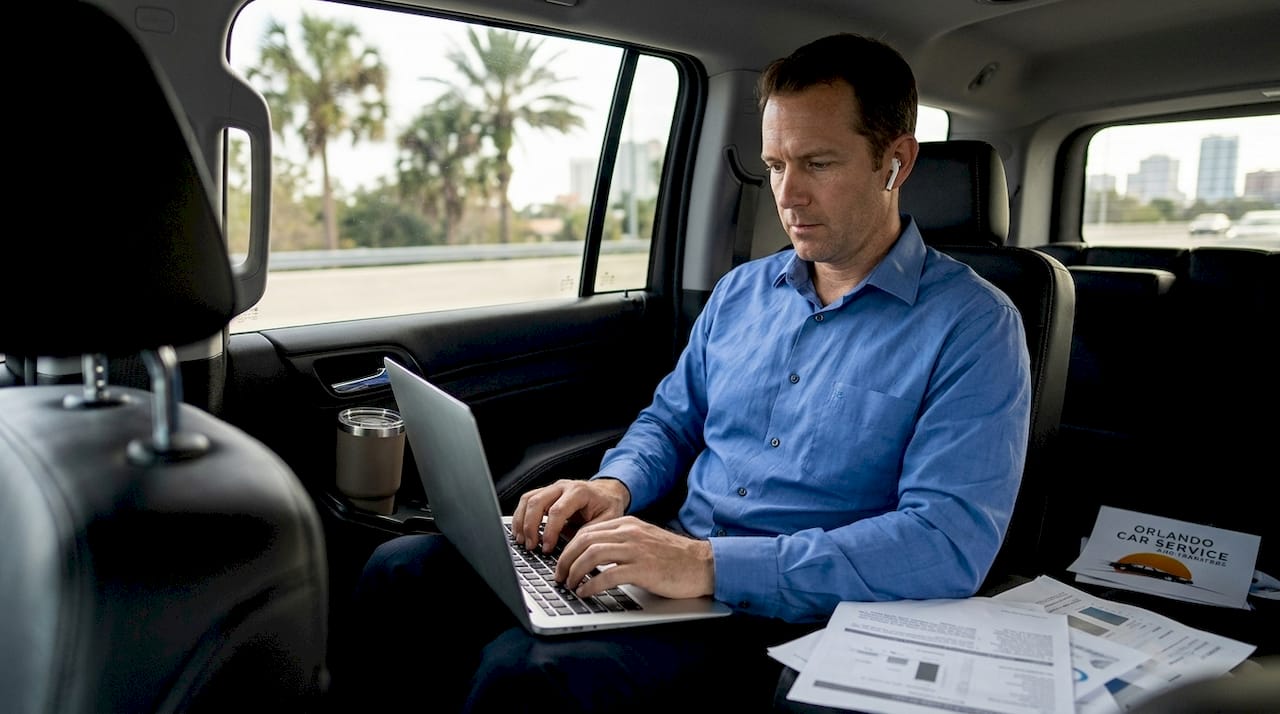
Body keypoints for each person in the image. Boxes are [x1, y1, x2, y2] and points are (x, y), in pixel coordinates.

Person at [339, 31, 1031, 713]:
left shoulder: (975, 325)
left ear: (895, 162)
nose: (788, 196)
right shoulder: (741, 294)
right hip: (668, 558)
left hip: (788, 615)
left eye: (818, 164)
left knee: (529, 676)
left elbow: (944, 541)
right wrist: (615, 484)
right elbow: (671, 423)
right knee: (400, 573)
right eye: (775, 165)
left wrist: (705, 566)